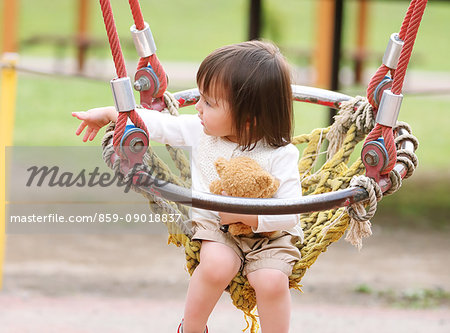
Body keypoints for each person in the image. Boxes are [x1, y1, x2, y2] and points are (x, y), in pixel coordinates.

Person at [72, 40, 303, 333]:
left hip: (270, 235)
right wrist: (111, 113)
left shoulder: (281, 154)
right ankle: (191, 328)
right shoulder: (201, 131)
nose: (198, 107)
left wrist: (249, 217)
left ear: (249, 118)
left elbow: (290, 212)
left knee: (271, 281)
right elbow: (159, 124)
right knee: (217, 265)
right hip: (217, 229)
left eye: (209, 102)